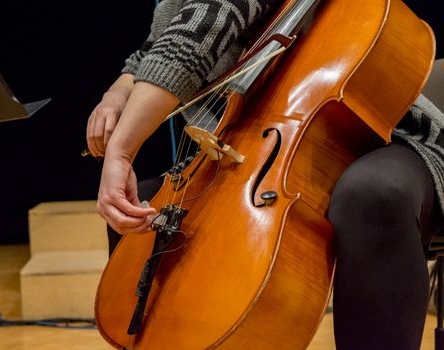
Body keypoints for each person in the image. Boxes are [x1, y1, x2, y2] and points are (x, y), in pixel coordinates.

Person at [85, 0, 444, 349]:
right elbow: (155, 45)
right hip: (262, 149)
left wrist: (121, 152)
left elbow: (207, 23)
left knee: (371, 194)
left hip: (386, 138)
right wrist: (120, 89)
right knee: (146, 211)